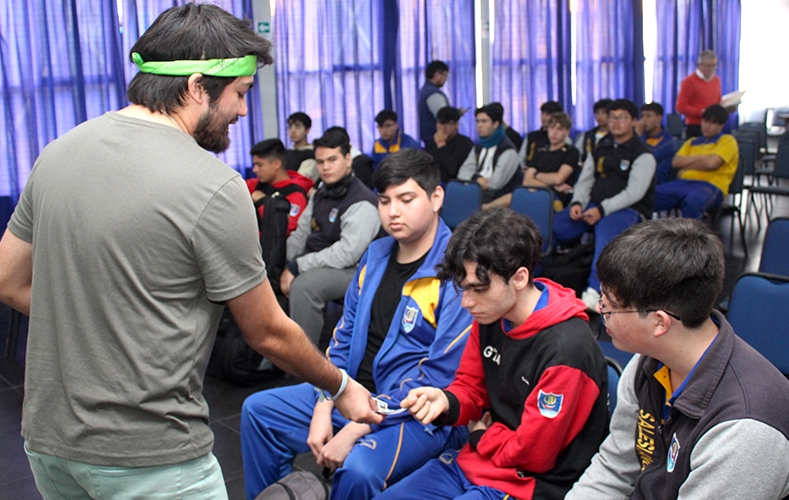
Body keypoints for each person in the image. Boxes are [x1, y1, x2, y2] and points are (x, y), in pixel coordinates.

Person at [0, 4, 380, 499]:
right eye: (240, 94)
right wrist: (342, 387)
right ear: (197, 87)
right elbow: (267, 332)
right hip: (148, 456)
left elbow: (3, 280)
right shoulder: (213, 186)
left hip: (48, 442)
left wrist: (94, 317)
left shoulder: (57, 151)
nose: (242, 110)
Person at [241, 149, 474, 500]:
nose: (393, 212)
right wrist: (325, 401)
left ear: (436, 197)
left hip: (416, 413)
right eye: (384, 201)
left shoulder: (455, 272)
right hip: (351, 395)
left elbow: (440, 379)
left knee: (360, 470)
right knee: (258, 413)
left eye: (406, 199)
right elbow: (343, 339)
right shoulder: (376, 254)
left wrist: (355, 427)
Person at [375, 207, 609, 500]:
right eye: (464, 290)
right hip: (478, 463)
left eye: (478, 289)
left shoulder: (566, 350)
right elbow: (471, 388)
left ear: (520, 277)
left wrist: (481, 436)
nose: (466, 303)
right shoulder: (490, 315)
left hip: (529, 484)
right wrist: (446, 400)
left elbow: (533, 454)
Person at [565, 218, 789, 500]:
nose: (599, 310)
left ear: (660, 322)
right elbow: (614, 469)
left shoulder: (745, 430)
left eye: (610, 307)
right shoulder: (649, 362)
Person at [281, 127, 381, 348]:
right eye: (320, 161)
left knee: (305, 287)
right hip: (321, 260)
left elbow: (346, 254)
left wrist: (298, 266)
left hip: (356, 270)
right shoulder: (320, 193)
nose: (325, 167)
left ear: (348, 159)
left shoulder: (362, 202)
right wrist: (285, 262)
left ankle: (305, 363)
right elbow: (300, 233)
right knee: (272, 271)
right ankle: (273, 356)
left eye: (332, 160)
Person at [552, 99, 656, 310]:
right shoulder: (601, 147)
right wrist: (578, 202)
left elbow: (634, 193)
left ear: (634, 121)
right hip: (592, 206)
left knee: (608, 231)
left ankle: (595, 291)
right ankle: (540, 273)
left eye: (622, 118)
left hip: (628, 210)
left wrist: (602, 209)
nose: (616, 122)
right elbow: (586, 179)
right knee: (555, 225)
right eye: (612, 117)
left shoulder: (642, 153)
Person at [654, 105, 738, 219]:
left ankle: (690, 236)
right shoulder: (691, 142)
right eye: (705, 121)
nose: (707, 126)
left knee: (692, 202)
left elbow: (711, 164)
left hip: (711, 186)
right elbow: (676, 162)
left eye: (713, 123)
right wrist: (703, 158)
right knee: (648, 196)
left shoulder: (727, 141)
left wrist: (688, 165)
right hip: (682, 183)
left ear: (721, 126)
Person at [247, 138, 314, 236]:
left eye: (259, 165)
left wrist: (263, 202)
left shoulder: (295, 195)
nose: (254, 170)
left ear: (276, 164)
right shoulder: (259, 184)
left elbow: (284, 230)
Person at [457, 104, 521, 204]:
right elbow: (462, 173)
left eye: (484, 121)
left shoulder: (508, 150)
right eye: (477, 121)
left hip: (497, 199)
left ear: (495, 124)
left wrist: (474, 180)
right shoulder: (478, 147)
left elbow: (495, 184)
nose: (479, 125)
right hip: (477, 191)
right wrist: (477, 179)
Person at [676, 50, 722, 139]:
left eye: (714, 65)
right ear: (700, 65)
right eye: (708, 65)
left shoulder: (716, 80)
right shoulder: (689, 81)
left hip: (714, 125)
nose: (711, 69)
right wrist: (701, 112)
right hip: (695, 126)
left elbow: (717, 101)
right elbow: (680, 107)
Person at [424, 106, 474, 184]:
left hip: (454, 185)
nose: (442, 128)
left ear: (456, 124)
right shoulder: (432, 144)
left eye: (447, 124)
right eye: (440, 123)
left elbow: (453, 171)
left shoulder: (465, 143)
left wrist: (441, 145)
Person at [638, 102, 678, 184]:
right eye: (642, 116)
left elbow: (648, 156)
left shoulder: (668, 141)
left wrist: (638, 135)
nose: (644, 120)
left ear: (659, 118)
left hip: (657, 180)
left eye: (648, 116)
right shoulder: (643, 137)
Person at [418, 60, 452, 147]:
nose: (446, 79)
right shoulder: (433, 94)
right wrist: (457, 113)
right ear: (437, 75)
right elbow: (444, 116)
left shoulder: (424, 91)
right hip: (437, 141)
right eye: (445, 75)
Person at [521, 100, 564, 166]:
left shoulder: (561, 139)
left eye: (548, 114)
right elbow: (521, 159)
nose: (543, 117)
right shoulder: (531, 136)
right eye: (542, 113)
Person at [580, 98, 612, 164]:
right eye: (597, 112)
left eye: (604, 113)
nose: (600, 116)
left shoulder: (615, 135)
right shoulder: (588, 134)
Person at [285, 111, 317, 176]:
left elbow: (300, 180)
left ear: (307, 130)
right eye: (290, 126)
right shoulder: (286, 153)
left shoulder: (312, 154)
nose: (292, 131)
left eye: (298, 126)